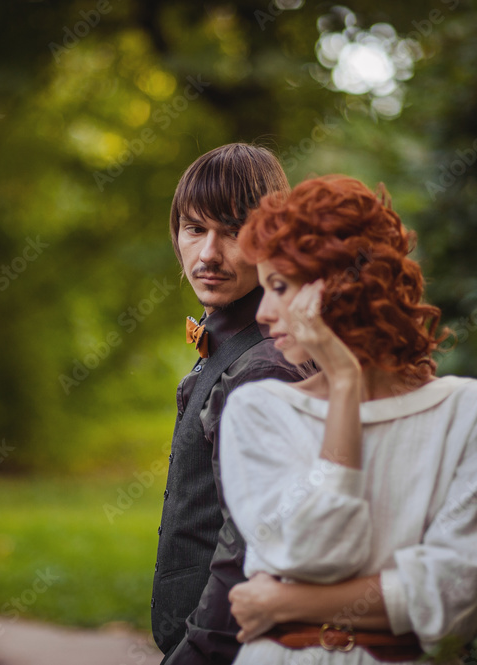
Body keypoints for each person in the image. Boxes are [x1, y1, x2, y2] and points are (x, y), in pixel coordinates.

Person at [218, 175, 477, 664]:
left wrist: (284, 601)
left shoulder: (468, 411)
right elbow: (313, 549)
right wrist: (345, 386)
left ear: (340, 286)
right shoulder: (259, 410)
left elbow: (457, 594)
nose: (265, 312)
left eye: (279, 285)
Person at [151, 143, 318, 664]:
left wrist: (193, 656)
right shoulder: (228, 345)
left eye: (233, 232)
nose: (208, 255)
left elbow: (247, 550)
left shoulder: (264, 368)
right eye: (195, 229)